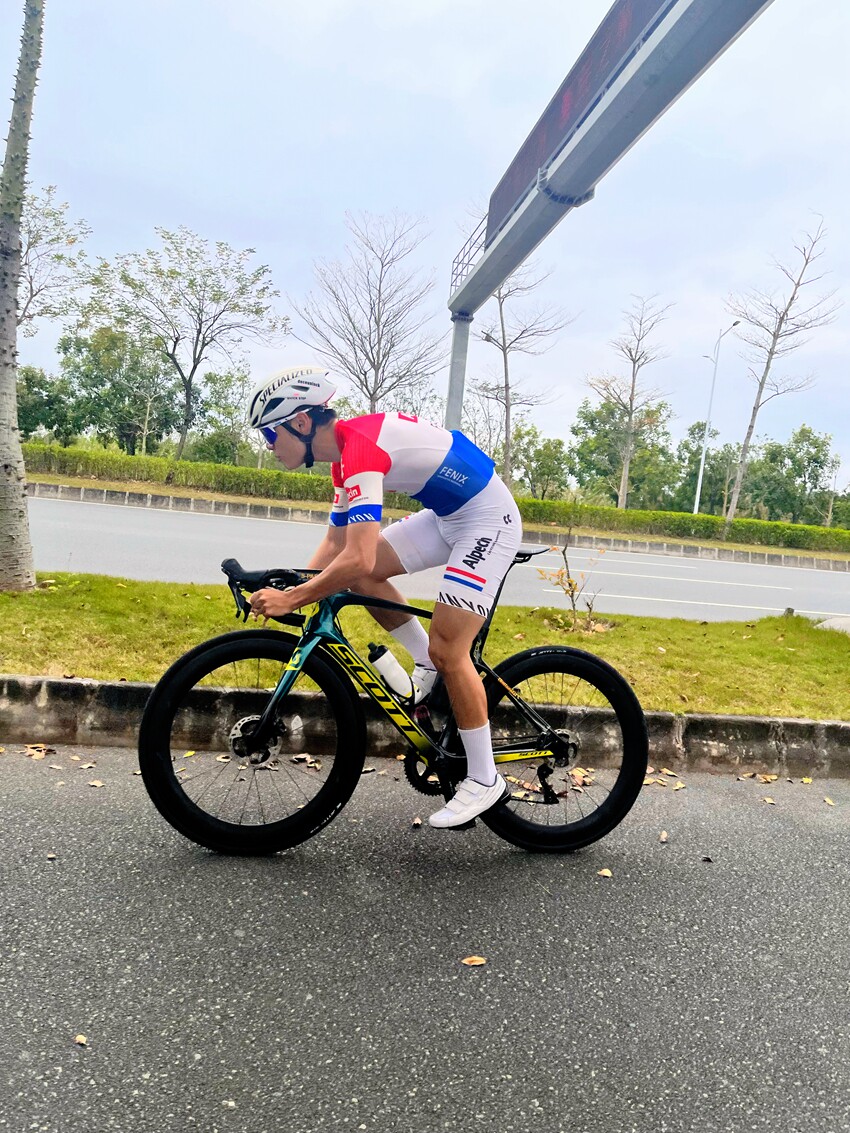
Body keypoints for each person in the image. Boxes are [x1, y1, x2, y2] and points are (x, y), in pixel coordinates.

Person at [246, 366, 522, 828]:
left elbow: (356, 556)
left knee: (450, 648)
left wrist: (294, 599)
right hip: (447, 516)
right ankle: (426, 663)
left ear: (301, 422)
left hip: (487, 519)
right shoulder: (342, 459)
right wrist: (294, 585)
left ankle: (484, 778)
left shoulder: (359, 450)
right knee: (363, 578)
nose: (269, 447)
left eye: (270, 435)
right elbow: (336, 546)